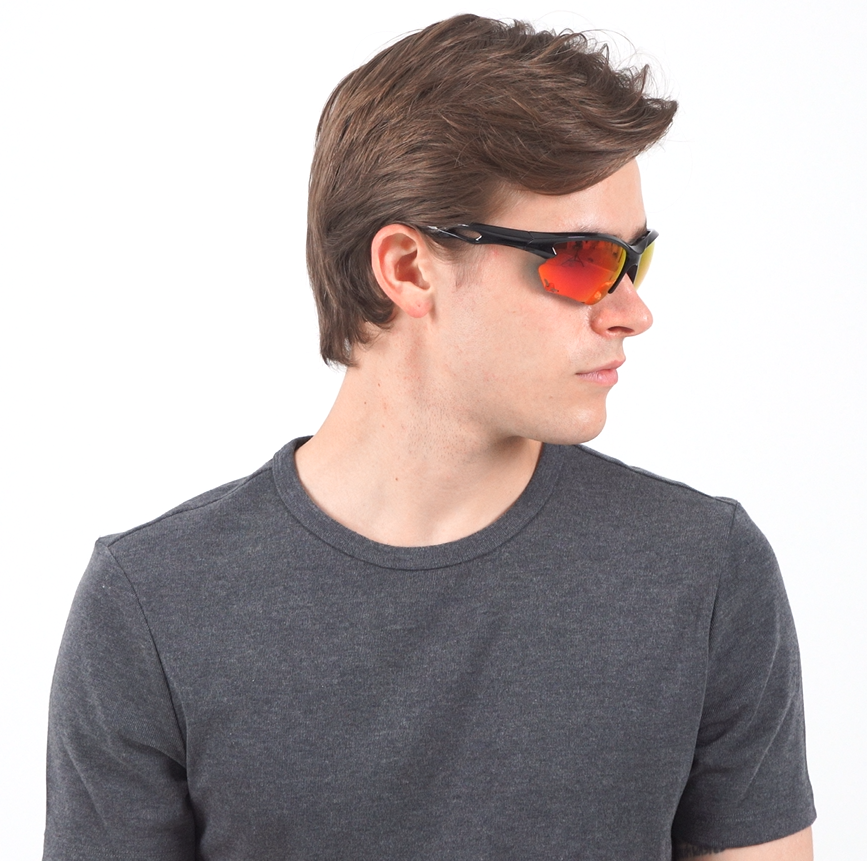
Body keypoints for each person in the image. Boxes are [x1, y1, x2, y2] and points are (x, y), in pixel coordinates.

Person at [44, 14, 815, 860]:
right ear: (408, 268)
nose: (632, 311)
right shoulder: (152, 605)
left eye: (636, 260)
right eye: (584, 259)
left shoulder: (704, 572)